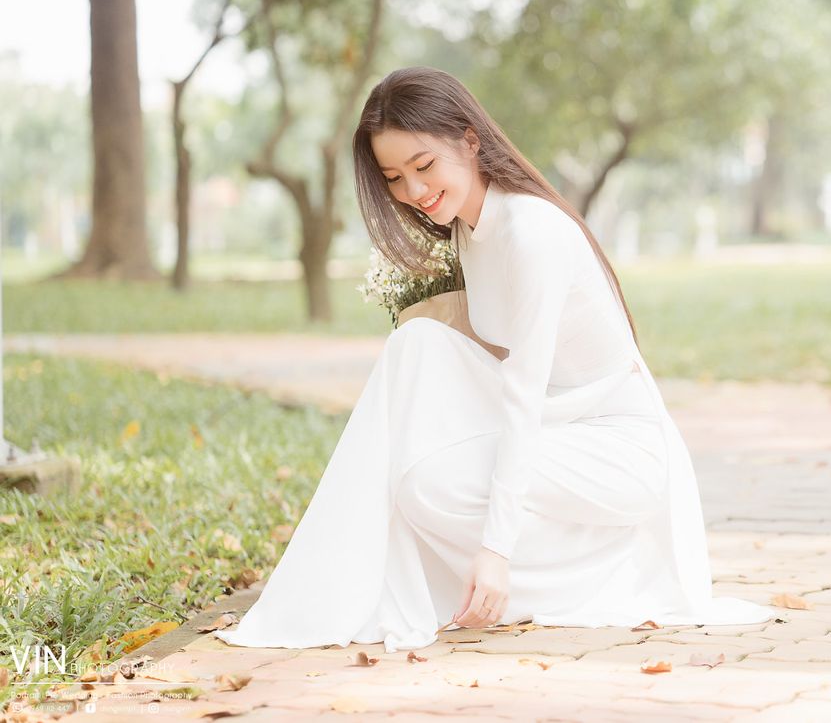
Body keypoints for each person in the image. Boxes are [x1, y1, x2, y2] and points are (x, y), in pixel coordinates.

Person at [213, 67, 774, 653]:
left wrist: (496, 551)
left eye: (424, 166)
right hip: (561, 436)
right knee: (415, 359)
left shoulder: (532, 232)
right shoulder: (470, 229)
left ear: (469, 139)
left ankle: (587, 572)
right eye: (395, 177)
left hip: (618, 451)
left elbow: (523, 395)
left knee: (430, 484)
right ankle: (342, 574)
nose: (412, 191)